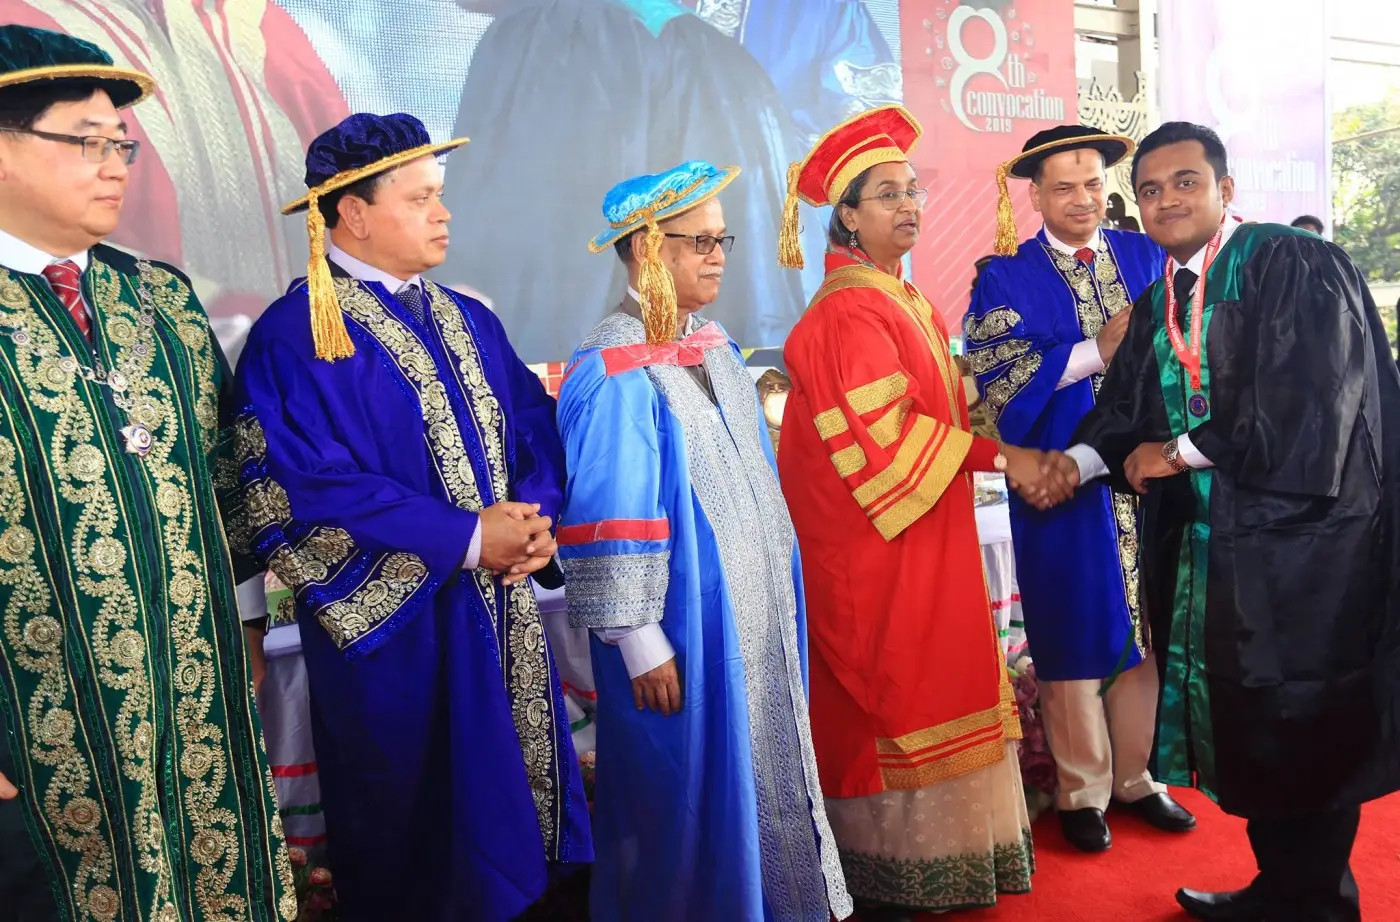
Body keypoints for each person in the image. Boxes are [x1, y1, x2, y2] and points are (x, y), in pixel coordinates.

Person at [228, 112, 592, 922]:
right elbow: (301, 485)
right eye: (421, 197)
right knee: (412, 833)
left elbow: (533, 426)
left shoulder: (469, 316)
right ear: (354, 213)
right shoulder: (294, 337)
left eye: (440, 195)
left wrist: (534, 520)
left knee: (510, 813)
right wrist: (468, 538)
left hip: (498, 603)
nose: (444, 213)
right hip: (396, 632)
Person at [1051, 121, 1400, 921]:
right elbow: (1125, 413)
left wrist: (1174, 454)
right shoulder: (1163, 299)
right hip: (1220, 559)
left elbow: (1310, 400)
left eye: (1185, 182)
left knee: (1307, 727)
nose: (1167, 200)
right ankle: (1281, 890)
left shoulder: (1291, 263)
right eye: (1150, 189)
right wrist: (1073, 464)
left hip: (1307, 554)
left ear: (1225, 189)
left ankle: (1320, 903)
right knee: (1258, 729)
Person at [0, 25, 295, 920]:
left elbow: (224, 473)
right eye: (85, 140)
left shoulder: (161, 296)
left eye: (121, 144)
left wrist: (248, 623)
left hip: (195, 682)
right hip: (36, 710)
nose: (114, 165)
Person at [557, 159, 851, 922]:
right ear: (646, 250)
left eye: (722, 239)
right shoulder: (614, 369)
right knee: (683, 798)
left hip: (752, 616)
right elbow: (605, 507)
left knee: (757, 776)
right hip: (681, 629)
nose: (718, 256)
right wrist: (637, 637)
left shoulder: (714, 348)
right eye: (699, 242)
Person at [776, 104, 1043, 917]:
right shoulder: (847, 312)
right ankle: (893, 871)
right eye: (886, 194)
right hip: (874, 543)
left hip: (924, 527)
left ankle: (953, 863)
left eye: (912, 189)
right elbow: (887, 438)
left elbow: (946, 406)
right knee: (897, 689)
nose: (908, 205)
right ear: (847, 217)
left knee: (938, 675)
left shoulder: (904, 298)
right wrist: (1006, 458)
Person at [967, 124, 1195, 853]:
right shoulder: (1005, 277)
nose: (1082, 199)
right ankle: (1081, 788)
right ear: (1035, 197)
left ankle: (1137, 776)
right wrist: (1096, 350)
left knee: (1149, 625)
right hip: (1059, 476)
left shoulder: (1146, 255)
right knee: (1072, 626)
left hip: (1148, 477)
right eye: (1063, 188)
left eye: (1094, 184)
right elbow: (997, 381)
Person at [446, 0, 803, 361]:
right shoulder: (725, 59)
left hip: (589, 338)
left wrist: (465, 272)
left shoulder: (552, 37)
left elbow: (508, 195)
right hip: (707, 351)